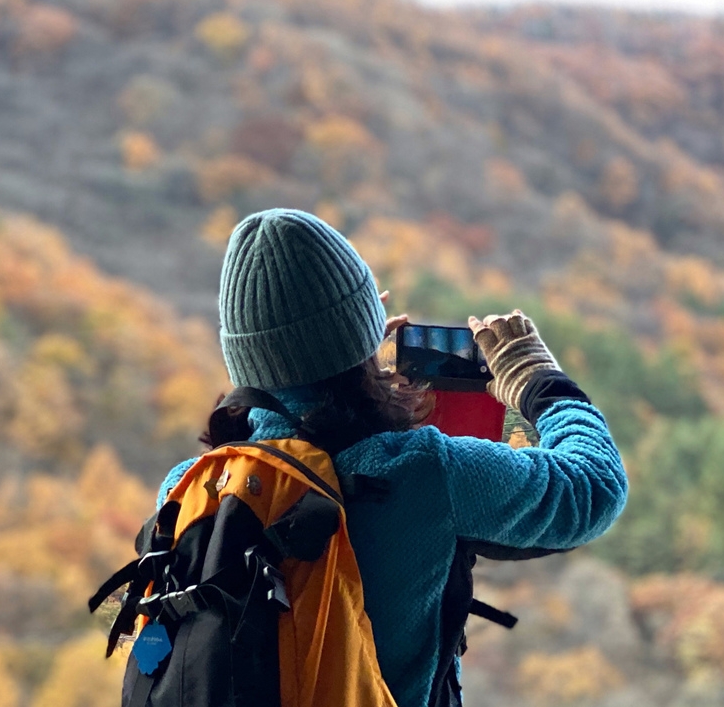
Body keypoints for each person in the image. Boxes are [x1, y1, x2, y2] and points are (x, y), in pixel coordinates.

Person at [156, 208, 629, 707]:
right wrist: (539, 381)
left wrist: (348, 361)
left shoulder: (186, 491)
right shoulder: (418, 471)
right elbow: (593, 488)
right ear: (360, 336)